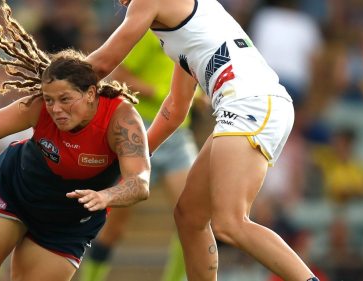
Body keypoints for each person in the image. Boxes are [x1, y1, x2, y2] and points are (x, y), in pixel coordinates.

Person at [85, 0, 319, 280]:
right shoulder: (186, 27)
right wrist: (135, 159)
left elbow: (102, 63)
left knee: (230, 223)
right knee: (189, 217)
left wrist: (53, 78)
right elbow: (175, 109)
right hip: (251, 104)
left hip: (250, 104)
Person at [0, 4, 151, 281]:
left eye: (65, 99)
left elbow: (140, 183)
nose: (56, 109)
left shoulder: (121, 120)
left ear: (90, 93)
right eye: (50, 100)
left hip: (67, 224)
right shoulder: (40, 106)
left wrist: (106, 196)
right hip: (13, 193)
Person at [80, 30, 197, 281]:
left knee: (194, 220)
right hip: (142, 132)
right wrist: (160, 94)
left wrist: (196, 97)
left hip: (179, 136)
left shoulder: (193, 33)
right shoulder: (149, 33)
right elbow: (119, 74)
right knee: (114, 229)